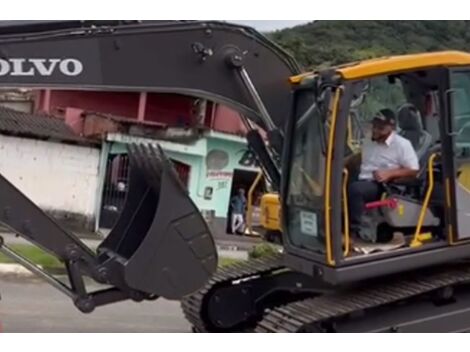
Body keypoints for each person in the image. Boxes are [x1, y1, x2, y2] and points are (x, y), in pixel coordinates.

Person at [347, 108, 419, 240]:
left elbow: (414, 170)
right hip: (363, 179)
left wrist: (390, 173)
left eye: (380, 128)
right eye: (374, 126)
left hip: (384, 185)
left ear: (390, 128)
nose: (375, 130)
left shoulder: (402, 145)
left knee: (355, 190)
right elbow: (362, 158)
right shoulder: (369, 141)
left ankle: (358, 232)